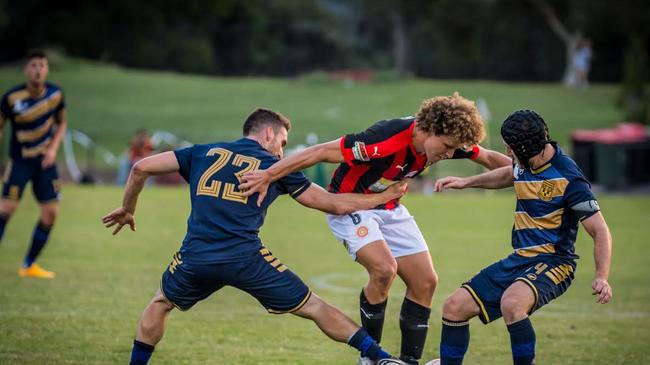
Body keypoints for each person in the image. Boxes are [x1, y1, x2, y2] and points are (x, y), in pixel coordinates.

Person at [102, 108, 412, 365]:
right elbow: (334, 204)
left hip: (196, 256)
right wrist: (381, 197)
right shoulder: (277, 166)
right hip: (246, 259)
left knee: (161, 302)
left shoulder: (201, 152)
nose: (283, 150)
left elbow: (140, 167)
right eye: (283, 141)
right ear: (268, 133)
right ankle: (381, 358)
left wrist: (128, 208)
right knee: (314, 306)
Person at [239, 93, 511, 365]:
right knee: (384, 269)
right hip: (351, 206)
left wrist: (529, 171)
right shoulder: (384, 139)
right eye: (448, 147)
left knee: (425, 282)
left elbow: (487, 156)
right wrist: (269, 174)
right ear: (430, 129)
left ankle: (407, 362)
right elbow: (318, 152)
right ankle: (371, 358)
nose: (450, 154)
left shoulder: (449, 137)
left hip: (389, 207)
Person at [429, 110, 612, 365]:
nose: (508, 154)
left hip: (554, 262)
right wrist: (466, 182)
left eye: (511, 149)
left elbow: (600, 230)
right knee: (454, 307)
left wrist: (601, 276)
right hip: (520, 259)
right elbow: (509, 174)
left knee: (512, 304)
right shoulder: (525, 164)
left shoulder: (568, 178)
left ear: (526, 149)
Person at [0, 49, 67, 279]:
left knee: (51, 213)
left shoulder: (56, 94)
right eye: (33, 65)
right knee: (6, 209)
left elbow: (62, 124)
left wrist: (52, 149)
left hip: (45, 163)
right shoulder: (11, 98)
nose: (38, 70)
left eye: (42, 65)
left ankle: (28, 265)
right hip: (20, 161)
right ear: (26, 69)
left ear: (47, 69)